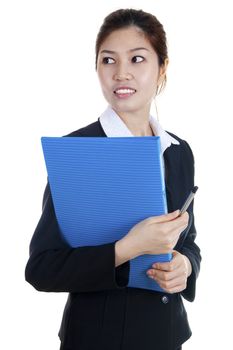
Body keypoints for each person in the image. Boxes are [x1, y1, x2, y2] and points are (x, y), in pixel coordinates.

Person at [25, 8, 201, 350]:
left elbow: (189, 240)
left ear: (162, 67)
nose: (121, 73)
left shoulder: (179, 150)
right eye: (108, 60)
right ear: (97, 68)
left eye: (137, 59)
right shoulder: (77, 151)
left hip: (166, 336)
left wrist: (186, 266)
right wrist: (129, 248)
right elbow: (42, 267)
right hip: (98, 338)